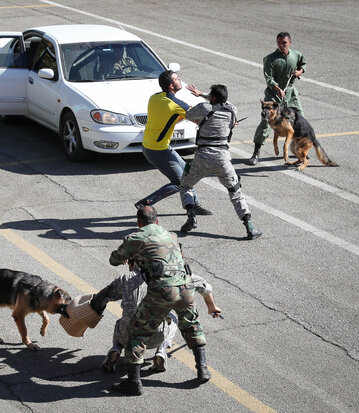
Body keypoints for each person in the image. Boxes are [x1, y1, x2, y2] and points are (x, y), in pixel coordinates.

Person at [102, 205, 211, 396]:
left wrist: (130, 256)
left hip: (162, 290)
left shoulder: (135, 238)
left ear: (139, 223)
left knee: (137, 331)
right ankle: (202, 369)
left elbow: (114, 259)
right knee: (191, 324)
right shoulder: (172, 236)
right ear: (157, 221)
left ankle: (133, 382)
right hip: (186, 287)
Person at [92, 267, 222, 373]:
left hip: (128, 337)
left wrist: (91, 312)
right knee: (171, 319)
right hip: (156, 336)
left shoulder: (126, 278)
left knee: (123, 321)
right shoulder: (176, 276)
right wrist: (211, 306)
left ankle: (116, 349)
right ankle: (161, 351)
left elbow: (103, 297)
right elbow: (206, 287)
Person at [178, 84, 262, 240]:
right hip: (223, 158)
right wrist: (205, 94)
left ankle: (191, 217)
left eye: (210, 95)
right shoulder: (233, 111)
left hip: (202, 156)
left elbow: (189, 115)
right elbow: (223, 105)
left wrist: (202, 97)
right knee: (235, 191)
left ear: (213, 97)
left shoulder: (204, 107)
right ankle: (249, 227)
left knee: (185, 185)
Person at [135, 70, 213, 216]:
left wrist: (183, 117)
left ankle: (194, 205)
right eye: (177, 79)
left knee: (187, 173)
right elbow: (200, 116)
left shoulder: (155, 98)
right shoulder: (174, 104)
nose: (180, 80)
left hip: (151, 145)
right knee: (180, 182)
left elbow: (169, 117)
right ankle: (145, 203)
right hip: (157, 150)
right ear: (171, 86)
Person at [248, 32, 307, 165]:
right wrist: (277, 88)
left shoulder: (295, 55)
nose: (281, 45)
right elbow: (269, 78)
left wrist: (299, 72)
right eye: (279, 42)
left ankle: (301, 150)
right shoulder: (270, 59)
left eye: (284, 43)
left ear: (290, 43)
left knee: (301, 119)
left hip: (290, 93)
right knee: (265, 123)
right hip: (273, 95)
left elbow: (302, 64)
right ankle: (256, 152)